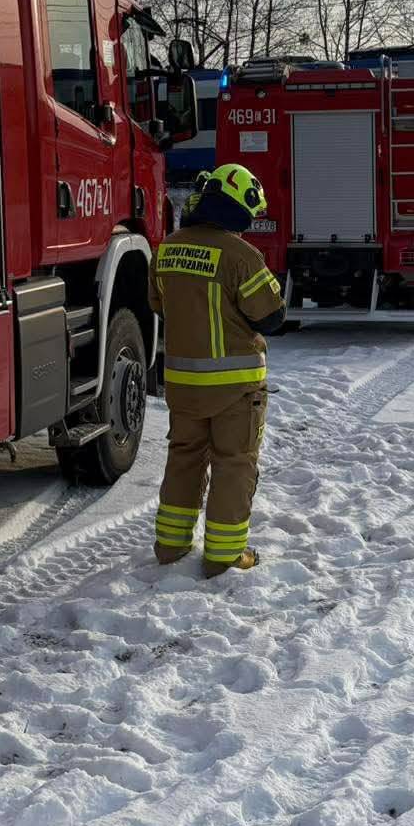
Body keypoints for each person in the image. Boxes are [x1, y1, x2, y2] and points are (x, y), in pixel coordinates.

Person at [148, 162, 285, 576]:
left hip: (182, 385)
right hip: (235, 389)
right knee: (234, 463)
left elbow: (159, 304)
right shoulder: (241, 255)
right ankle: (225, 555)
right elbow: (271, 317)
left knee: (184, 458)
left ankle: (170, 547)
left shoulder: (168, 249)